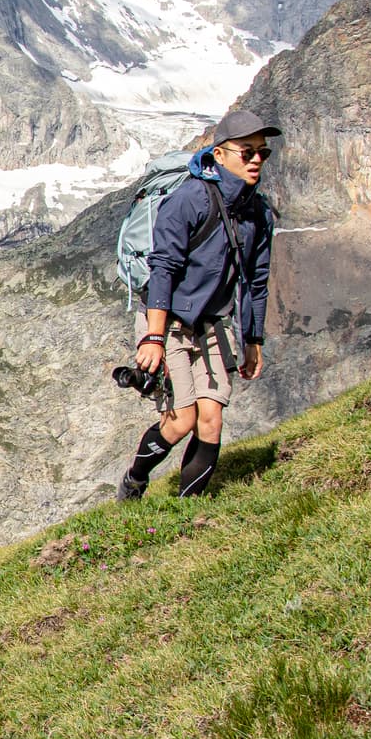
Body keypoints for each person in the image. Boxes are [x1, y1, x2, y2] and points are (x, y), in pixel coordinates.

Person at [120, 109, 277, 500]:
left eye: (263, 153)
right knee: (180, 421)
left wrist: (253, 340)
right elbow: (164, 269)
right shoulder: (189, 199)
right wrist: (153, 338)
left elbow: (255, 281)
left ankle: (187, 510)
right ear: (220, 155)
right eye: (247, 152)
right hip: (169, 322)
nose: (256, 159)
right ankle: (135, 479)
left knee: (211, 419)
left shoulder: (257, 212)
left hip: (213, 324)